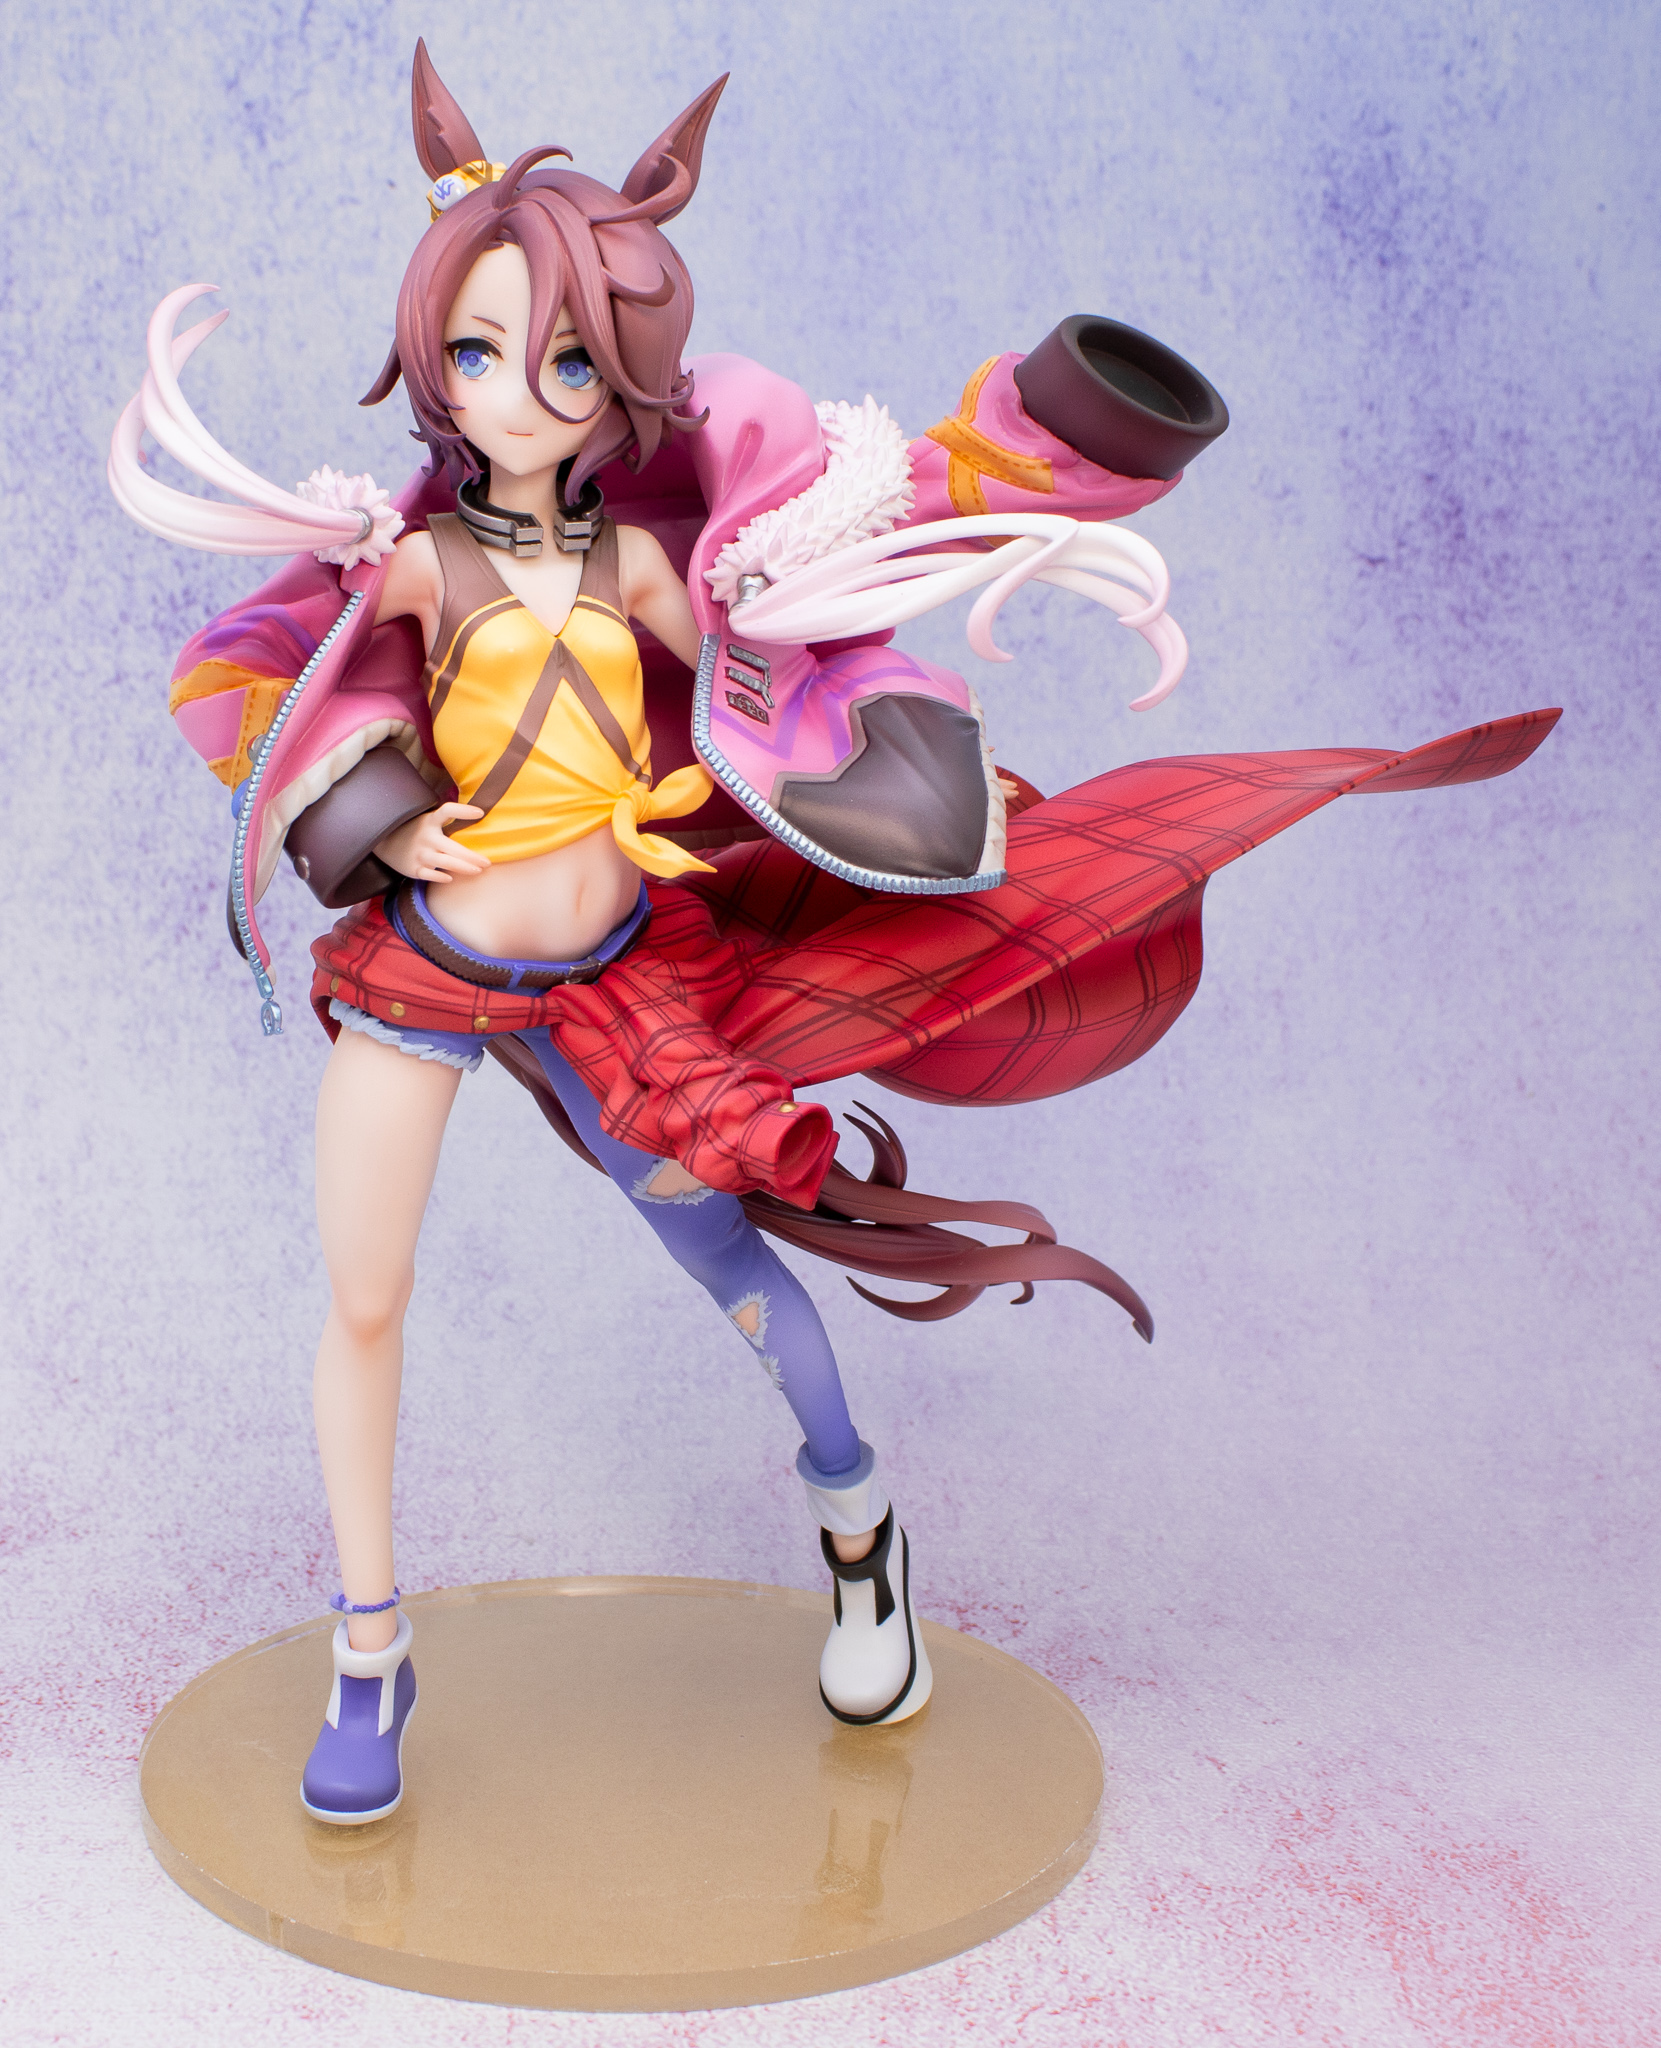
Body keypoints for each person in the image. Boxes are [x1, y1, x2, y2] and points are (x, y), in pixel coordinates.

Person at [109, 44, 1557, 1824]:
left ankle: (857, 1523)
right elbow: (255, 677)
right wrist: (382, 811)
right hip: (434, 972)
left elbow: (834, 585)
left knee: (735, 1272)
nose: (519, 394)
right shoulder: (404, 569)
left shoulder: (653, 569)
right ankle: (368, 1648)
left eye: (566, 360)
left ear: (620, 379)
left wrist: (1026, 479)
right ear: (431, 365)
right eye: (476, 354)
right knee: (363, 1297)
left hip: (623, 988)